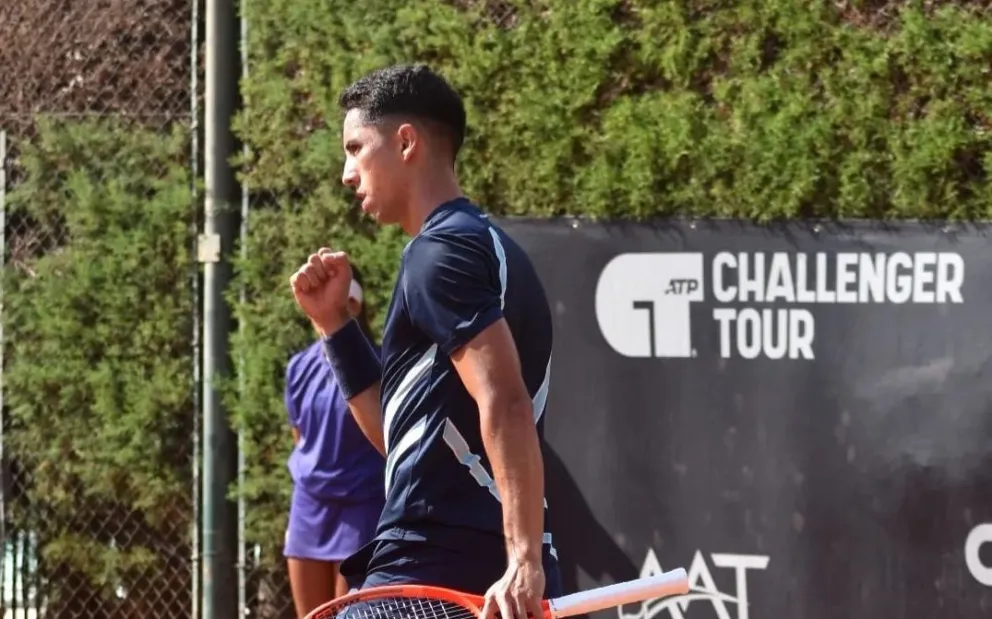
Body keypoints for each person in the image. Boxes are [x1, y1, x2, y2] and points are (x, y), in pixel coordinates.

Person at [289, 63, 560, 619]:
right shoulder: (489, 248)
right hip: (479, 579)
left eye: (355, 147)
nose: (346, 172)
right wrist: (336, 326)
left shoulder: (439, 253)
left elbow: (504, 401)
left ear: (405, 142)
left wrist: (524, 557)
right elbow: (400, 437)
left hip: (430, 576)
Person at [283, 266, 385, 618]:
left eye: (347, 303)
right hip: (309, 507)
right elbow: (300, 435)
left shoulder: (381, 363)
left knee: (349, 615)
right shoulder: (298, 367)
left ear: (357, 306)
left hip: (363, 508)